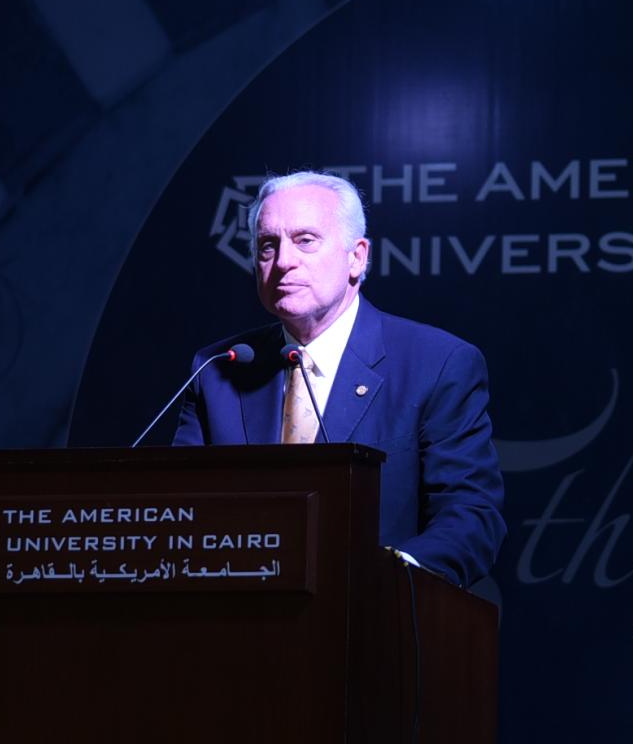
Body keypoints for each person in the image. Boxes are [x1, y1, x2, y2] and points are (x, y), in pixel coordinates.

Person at [172, 171, 505, 586]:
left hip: (373, 624)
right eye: (267, 246)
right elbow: (181, 514)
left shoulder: (437, 364)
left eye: (305, 240)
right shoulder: (219, 368)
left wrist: (382, 578)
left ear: (357, 257)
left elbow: (471, 517)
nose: (283, 262)